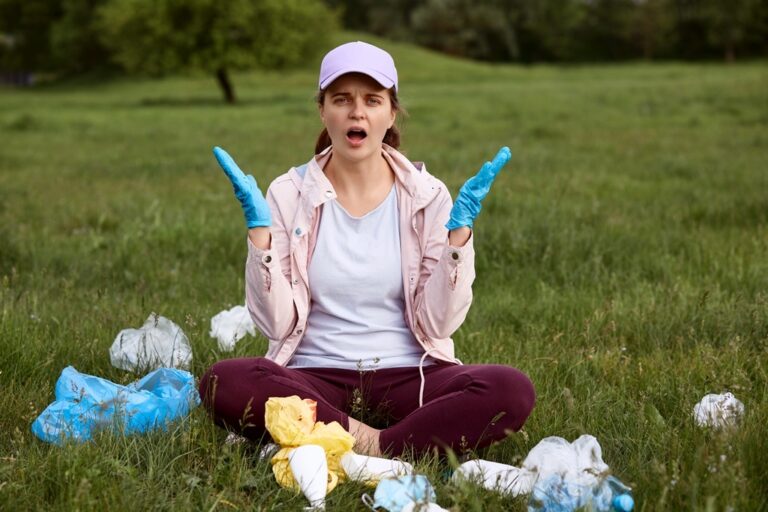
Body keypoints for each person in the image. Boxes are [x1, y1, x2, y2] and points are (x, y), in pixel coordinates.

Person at [199, 41, 535, 457]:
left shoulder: (429, 196)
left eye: (372, 100)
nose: (357, 112)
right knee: (223, 381)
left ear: (390, 112)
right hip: (314, 378)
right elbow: (277, 326)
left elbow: (440, 323)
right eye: (342, 99)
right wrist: (260, 239)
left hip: (414, 375)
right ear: (323, 110)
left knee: (510, 389)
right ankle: (395, 445)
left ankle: (360, 445)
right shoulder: (287, 194)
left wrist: (457, 241)